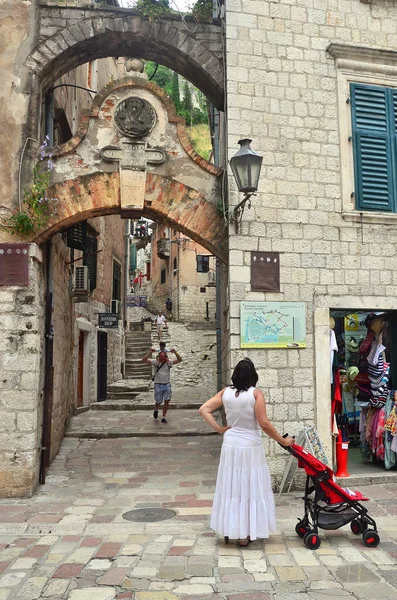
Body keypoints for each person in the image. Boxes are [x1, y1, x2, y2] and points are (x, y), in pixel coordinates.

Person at [199, 359, 294, 546]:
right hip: (250, 445)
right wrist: (282, 441)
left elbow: (204, 409)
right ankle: (246, 534)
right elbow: (264, 424)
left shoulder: (225, 392)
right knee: (249, 487)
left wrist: (219, 428)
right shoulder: (255, 394)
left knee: (231, 486)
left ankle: (229, 529)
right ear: (253, 375)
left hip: (231, 443)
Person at [142, 347, 182, 423]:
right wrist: (150, 352)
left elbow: (179, 360)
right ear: (159, 356)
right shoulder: (155, 362)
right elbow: (143, 360)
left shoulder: (168, 362)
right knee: (158, 401)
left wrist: (175, 352)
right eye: (161, 356)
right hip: (158, 384)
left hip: (167, 384)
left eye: (164, 356)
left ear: (166, 357)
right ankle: (156, 409)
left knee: (167, 400)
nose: (162, 358)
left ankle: (163, 417)